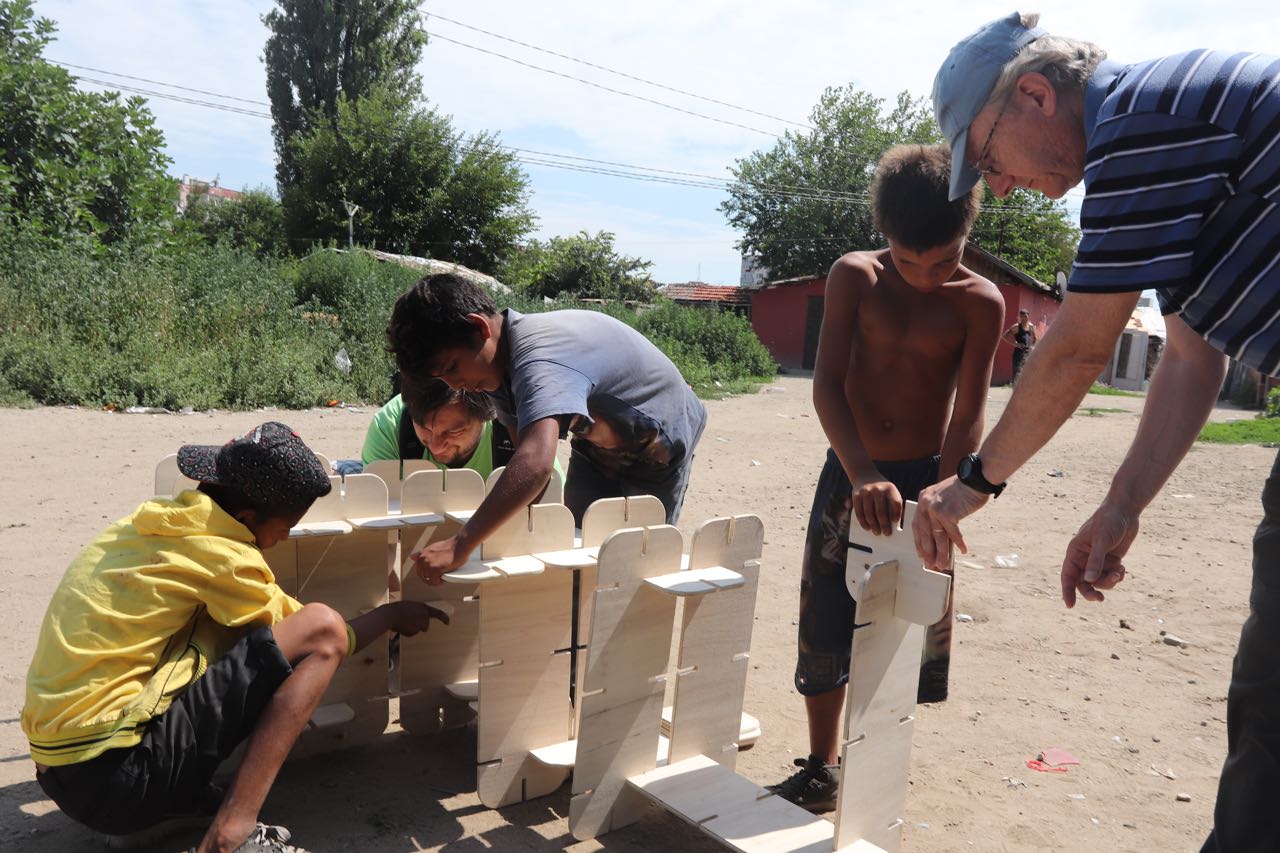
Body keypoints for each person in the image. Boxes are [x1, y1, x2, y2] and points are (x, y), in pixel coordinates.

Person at [921, 13, 1280, 851]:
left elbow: (1078, 347)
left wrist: (969, 485)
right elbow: (1192, 353)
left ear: (1037, 95)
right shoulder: (1170, 143)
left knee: (1272, 707)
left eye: (987, 157)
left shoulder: (1140, 126)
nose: (998, 186)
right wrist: (1121, 505)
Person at [22, 423, 446, 853]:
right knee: (321, 628)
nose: (285, 538)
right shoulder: (224, 558)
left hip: (62, 773)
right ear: (246, 518)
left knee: (218, 631)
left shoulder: (145, 528)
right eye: (284, 528)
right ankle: (232, 835)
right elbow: (324, 635)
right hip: (116, 779)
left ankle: (166, 809)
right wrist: (391, 613)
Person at [767, 144, 1004, 812]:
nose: (927, 277)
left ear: (967, 234)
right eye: (909, 260)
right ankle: (821, 765)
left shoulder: (981, 303)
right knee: (826, 618)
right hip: (852, 474)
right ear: (884, 238)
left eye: (945, 259)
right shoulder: (855, 277)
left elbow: (969, 411)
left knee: (904, 624)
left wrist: (946, 496)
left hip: (927, 487)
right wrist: (862, 471)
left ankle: (874, 764)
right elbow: (827, 388)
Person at [384, 273, 707, 583]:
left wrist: (461, 544)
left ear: (480, 327)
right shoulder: (494, 369)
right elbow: (524, 467)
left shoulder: (539, 361)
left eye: (452, 367)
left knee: (637, 558)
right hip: (597, 439)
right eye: (443, 378)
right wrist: (513, 541)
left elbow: (536, 464)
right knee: (581, 548)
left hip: (658, 438)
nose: (456, 384)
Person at [360, 378, 509, 476]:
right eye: (423, 428)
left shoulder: (513, 427)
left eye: (453, 431)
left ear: (485, 416)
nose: (436, 448)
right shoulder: (389, 427)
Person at [1002, 308, 1037, 382]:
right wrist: (1015, 344)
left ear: (1028, 316)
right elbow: (1004, 336)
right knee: (1017, 374)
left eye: (1025, 316)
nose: (1024, 318)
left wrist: (1032, 347)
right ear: (1020, 317)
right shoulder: (1016, 327)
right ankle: (1015, 391)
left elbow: (1035, 338)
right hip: (1018, 353)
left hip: (1028, 353)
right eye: (1022, 316)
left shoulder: (1031, 326)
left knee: (1027, 374)